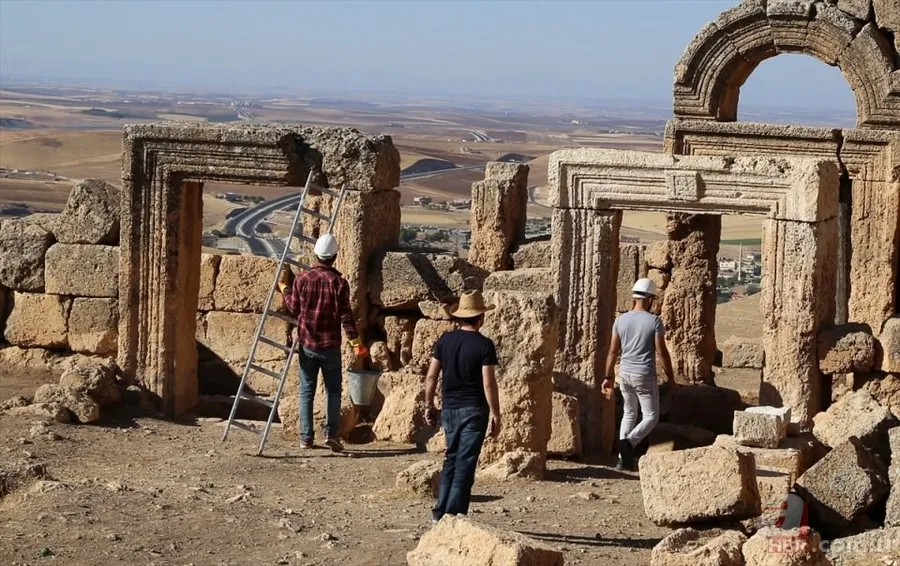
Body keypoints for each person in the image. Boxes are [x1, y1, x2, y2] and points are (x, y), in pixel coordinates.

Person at [280, 233, 367, 452]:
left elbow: (293, 307)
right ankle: (331, 433)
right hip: (330, 347)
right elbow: (346, 318)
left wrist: (284, 289)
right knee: (334, 391)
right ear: (334, 257)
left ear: (316, 255)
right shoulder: (339, 282)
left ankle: (306, 437)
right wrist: (357, 344)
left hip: (307, 345)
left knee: (307, 391)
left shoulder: (301, 279)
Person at [424, 289, 502, 524]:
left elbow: (431, 376)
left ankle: (440, 511)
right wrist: (496, 413)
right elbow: (488, 383)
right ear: (481, 317)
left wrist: (428, 404)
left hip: (450, 407)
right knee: (465, 462)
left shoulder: (445, 340)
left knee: (451, 458)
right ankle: (454, 514)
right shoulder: (484, 345)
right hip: (474, 409)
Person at [602, 278, 675, 471]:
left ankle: (622, 459)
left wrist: (607, 377)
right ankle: (629, 444)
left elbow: (612, 352)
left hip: (624, 374)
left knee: (629, 413)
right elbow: (661, 352)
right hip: (644, 374)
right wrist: (671, 377)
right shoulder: (654, 321)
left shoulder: (620, 320)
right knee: (651, 416)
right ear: (650, 298)